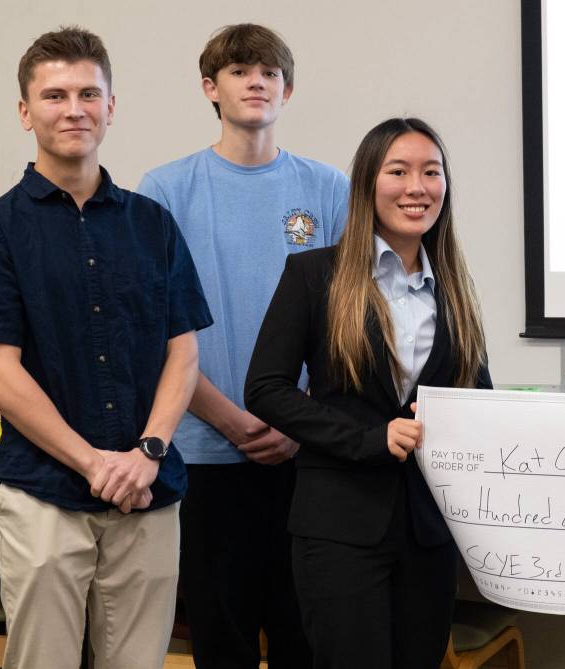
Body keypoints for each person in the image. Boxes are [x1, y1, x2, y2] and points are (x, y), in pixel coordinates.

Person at [0, 27, 212, 668]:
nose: (74, 109)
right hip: (44, 494)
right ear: (25, 112)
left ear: (111, 106)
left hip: (149, 490)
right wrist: (96, 464)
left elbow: (182, 353)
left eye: (88, 93)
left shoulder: (152, 223)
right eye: (55, 95)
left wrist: (147, 450)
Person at [137, 23, 348, 669]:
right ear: (211, 87)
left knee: (304, 636)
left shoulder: (329, 189)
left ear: (288, 89)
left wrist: (298, 418)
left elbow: (350, 325)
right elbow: (155, 330)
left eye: (270, 72)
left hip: (307, 458)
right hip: (204, 453)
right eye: (238, 71)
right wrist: (230, 418)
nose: (256, 81)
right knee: (220, 637)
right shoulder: (165, 191)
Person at [244, 117, 490, 669]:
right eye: (398, 171)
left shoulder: (452, 285)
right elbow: (265, 389)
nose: (416, 187)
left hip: (429, 531)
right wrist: (368, 439)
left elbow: (478, 397)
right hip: (339, 528)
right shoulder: (314, 275)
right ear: (367, 184)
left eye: (431, 172)